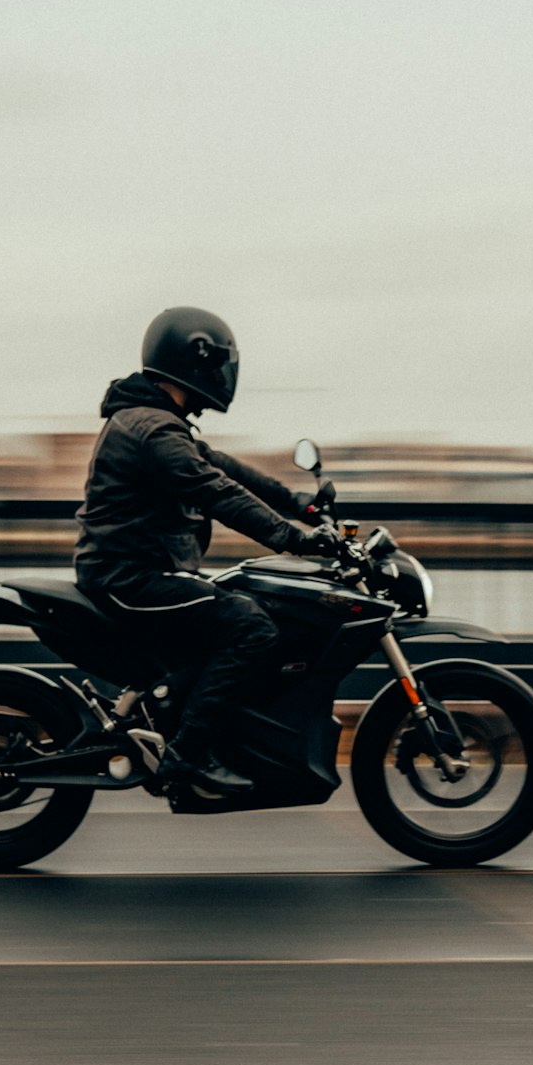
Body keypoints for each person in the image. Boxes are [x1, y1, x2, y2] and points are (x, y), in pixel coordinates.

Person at [74, 306, 337, 794]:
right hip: (130, 576)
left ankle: (187, 728)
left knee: (241, 607)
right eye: (219, 362)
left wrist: (296, 505)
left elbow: (227, 470)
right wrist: (294, 539)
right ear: (195, 359)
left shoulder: (157, 422)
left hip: (138, 570)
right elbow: (215, 490)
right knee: (255, 627)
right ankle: (188, 756)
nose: (223, 374)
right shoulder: (153, 429)